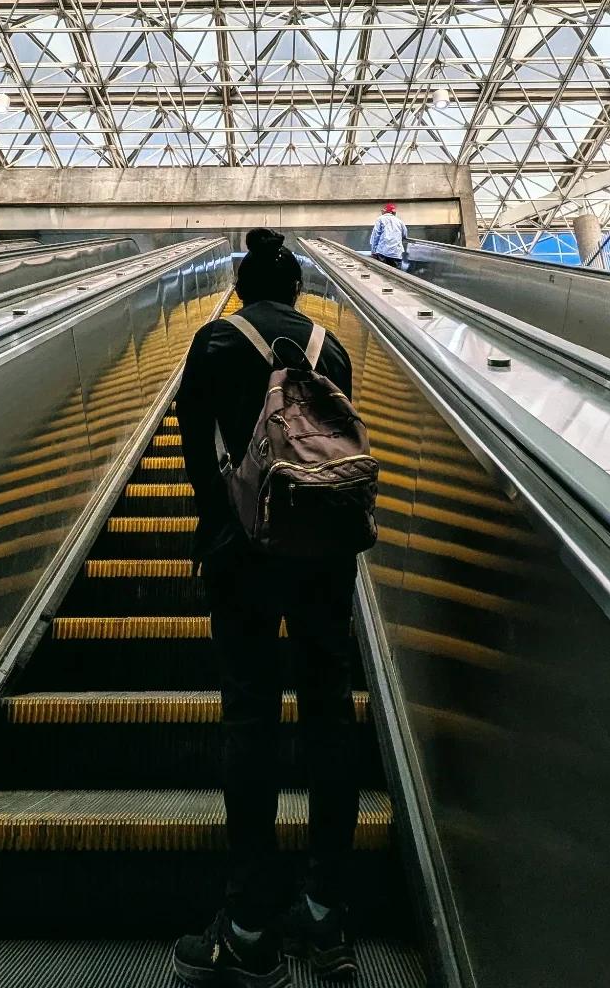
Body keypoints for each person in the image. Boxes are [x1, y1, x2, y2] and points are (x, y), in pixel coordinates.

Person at [173, 228, 360, 987]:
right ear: (299, 290)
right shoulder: (334, 349)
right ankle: (324, 913)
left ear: (243, 289)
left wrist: (222, 529)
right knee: (329, 711)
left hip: (244, 555)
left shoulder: (216, 340)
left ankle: (248, 927)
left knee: (250, 713)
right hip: (325, 552)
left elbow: (193, 452)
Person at [369, 202, 407, 269]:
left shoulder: (380, 219)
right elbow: (405, 235)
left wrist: (373, 251)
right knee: (397, 275)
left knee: (382, 273)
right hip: (396, 254)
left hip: (383, 253)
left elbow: (376, 236)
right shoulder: (400, 221)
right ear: (393, 212)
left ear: (385, 211)